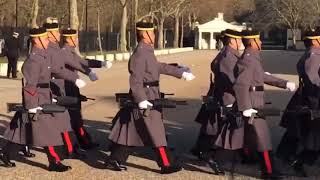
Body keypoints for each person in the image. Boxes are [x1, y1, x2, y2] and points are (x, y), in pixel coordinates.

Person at [105, 20, 195, 174]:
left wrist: (180, 72)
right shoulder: (140, 53)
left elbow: (158, 66)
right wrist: (141, 99)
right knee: (156, 131)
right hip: (146, 96)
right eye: (152, 32)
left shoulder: (147, 51)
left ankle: (114, 159)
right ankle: (166, 164)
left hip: (150, 93)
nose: (154, 34)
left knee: (131, 129)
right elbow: (135, 79)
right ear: (145, 34)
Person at [1, 27, 87, 172]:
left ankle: (5, 153)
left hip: (44, 96)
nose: (49, 40)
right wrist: (32, 106)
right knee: (49, 130)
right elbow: (30, 86)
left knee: (23, 126)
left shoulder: (43, 56)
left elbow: (58, 70)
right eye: (46, 38)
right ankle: (54, 162)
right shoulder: (33, 61)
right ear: (37, 40)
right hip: (37, 99)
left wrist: (75, 78)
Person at [233, 29, 296, 179]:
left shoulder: (252, 58)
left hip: (255, 100)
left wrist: (284, 83)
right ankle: (268, 171)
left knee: (255, 137)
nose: (261, 42)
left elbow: (261, 76)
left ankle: (263, 166)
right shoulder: (248, 59)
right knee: (263, 138)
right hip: (252, 103)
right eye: (259, 40)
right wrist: (246, 106)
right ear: (252, 41)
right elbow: (240, 85)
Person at [191, 29, 242, 175]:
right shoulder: (229, 57)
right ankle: (214, 157)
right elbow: (232, 82)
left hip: (220, 96)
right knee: (231, 129)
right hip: (228, 98)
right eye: (238, 40)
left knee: (214, 127)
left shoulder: (226, 54)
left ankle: (203, 150)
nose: (240, 43)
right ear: (233, 41)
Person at [277, 29, 320, 177]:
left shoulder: (312, 53)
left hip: (307, 98)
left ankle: (286, 155)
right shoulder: (314, 55)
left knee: (299, 130)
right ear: (315, 40)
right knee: (311, 134)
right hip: (313, 99)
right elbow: (313, 79)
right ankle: (298, 160)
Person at [61, 28, 112, 150]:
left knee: (75, 116)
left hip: (72, 86)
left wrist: (101, 64)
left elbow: (82, 61)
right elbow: (78, 64)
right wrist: (90, 72)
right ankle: (81, 142)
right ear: (68, 39)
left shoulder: (70, 51)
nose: (77, 40)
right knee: (74, 116)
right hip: (67, 86)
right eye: (75, 38)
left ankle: (83, 140)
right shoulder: (64, 52)